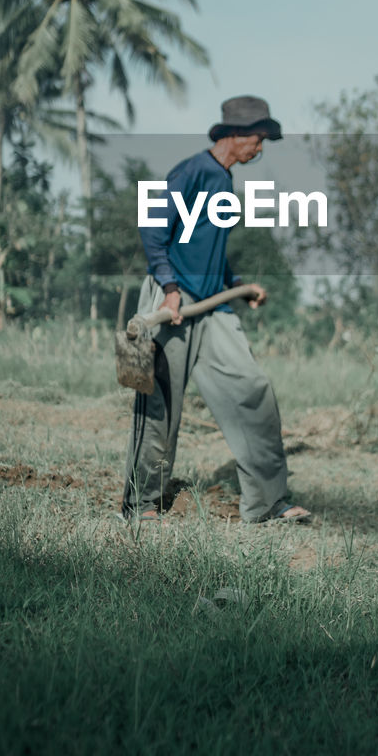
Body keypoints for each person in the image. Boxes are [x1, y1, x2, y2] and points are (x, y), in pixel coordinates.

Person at [121, 95, 311, 524]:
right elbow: (153, 228)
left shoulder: (224, 180)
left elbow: (209, 250)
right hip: (173, 304)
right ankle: (141, 505)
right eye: (258, 139)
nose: (260, 149)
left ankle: (267, 503)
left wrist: (237, 286)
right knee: (160, 405)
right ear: (236, 135)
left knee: (253, 390)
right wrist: (169, 290)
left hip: (211, 308)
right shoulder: (193, 171)